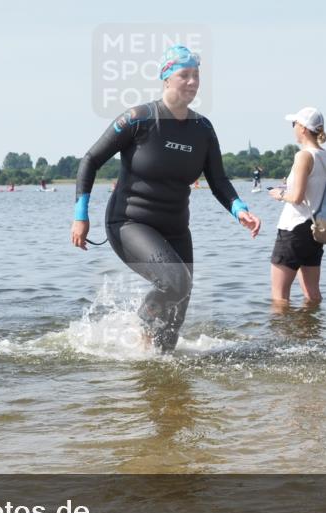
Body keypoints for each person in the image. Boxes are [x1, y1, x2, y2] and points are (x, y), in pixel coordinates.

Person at [70, 45, 261, 351]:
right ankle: (141, 322)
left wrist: (240, 210)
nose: (192, 82)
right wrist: (81, 216)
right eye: (184, 75)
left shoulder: (202, 129)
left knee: (174, 319)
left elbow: (218, 180)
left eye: (196, 75)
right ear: (166, 78)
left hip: (176, 229)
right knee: (177, 283)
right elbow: (90, 160)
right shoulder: (139, 119)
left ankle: (159, 373)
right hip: (130, 223)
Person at [269, 107, 326, 305]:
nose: (293, 128)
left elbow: (297, 197)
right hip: (315, 229)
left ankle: (281, 328)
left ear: (303, 128)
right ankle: (313, 324)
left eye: (294, 124)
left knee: (280, 297)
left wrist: (279, 194)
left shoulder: (303, 156)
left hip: (294, 229)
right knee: (312, 294)